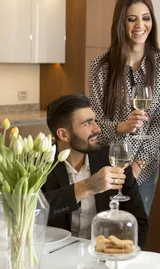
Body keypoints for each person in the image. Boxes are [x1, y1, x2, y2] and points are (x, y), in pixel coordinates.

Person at [89, 0, 160, 216]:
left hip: (143, 170)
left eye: (146, 18)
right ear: (121, 23)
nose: (140, 25)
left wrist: (135, 169)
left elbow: (156, 126)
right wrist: (121, 127)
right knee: (105, 234)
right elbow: (96, 128)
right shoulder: (100, 67)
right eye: (131, 18)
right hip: (106, 167)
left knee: (135, 235)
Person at [42, 94, 149, 247]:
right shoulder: (38, 164)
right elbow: (28, 212)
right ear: (63, 134)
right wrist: (86, 186)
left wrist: (120, 254)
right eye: (87, 123)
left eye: (95, 120)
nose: (97, 129)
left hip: (104, 256)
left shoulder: (112, 159)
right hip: (56, 256)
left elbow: (139, 222)